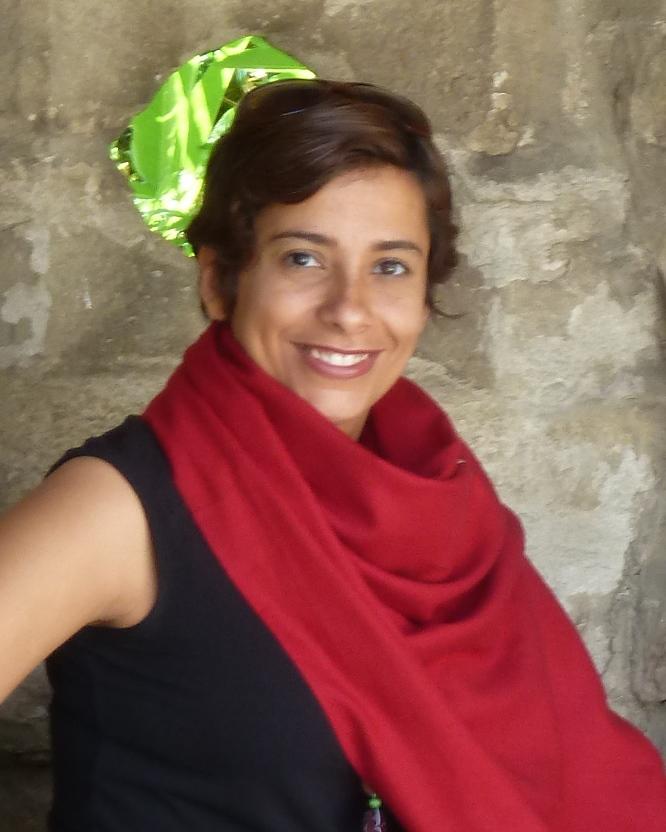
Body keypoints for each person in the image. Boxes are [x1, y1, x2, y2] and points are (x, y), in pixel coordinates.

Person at [0, 78, 665, 832]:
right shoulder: (119, 509)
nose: (350, 310)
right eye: (303, 259)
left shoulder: (443, 501)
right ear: (220, 281)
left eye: (391, 267)